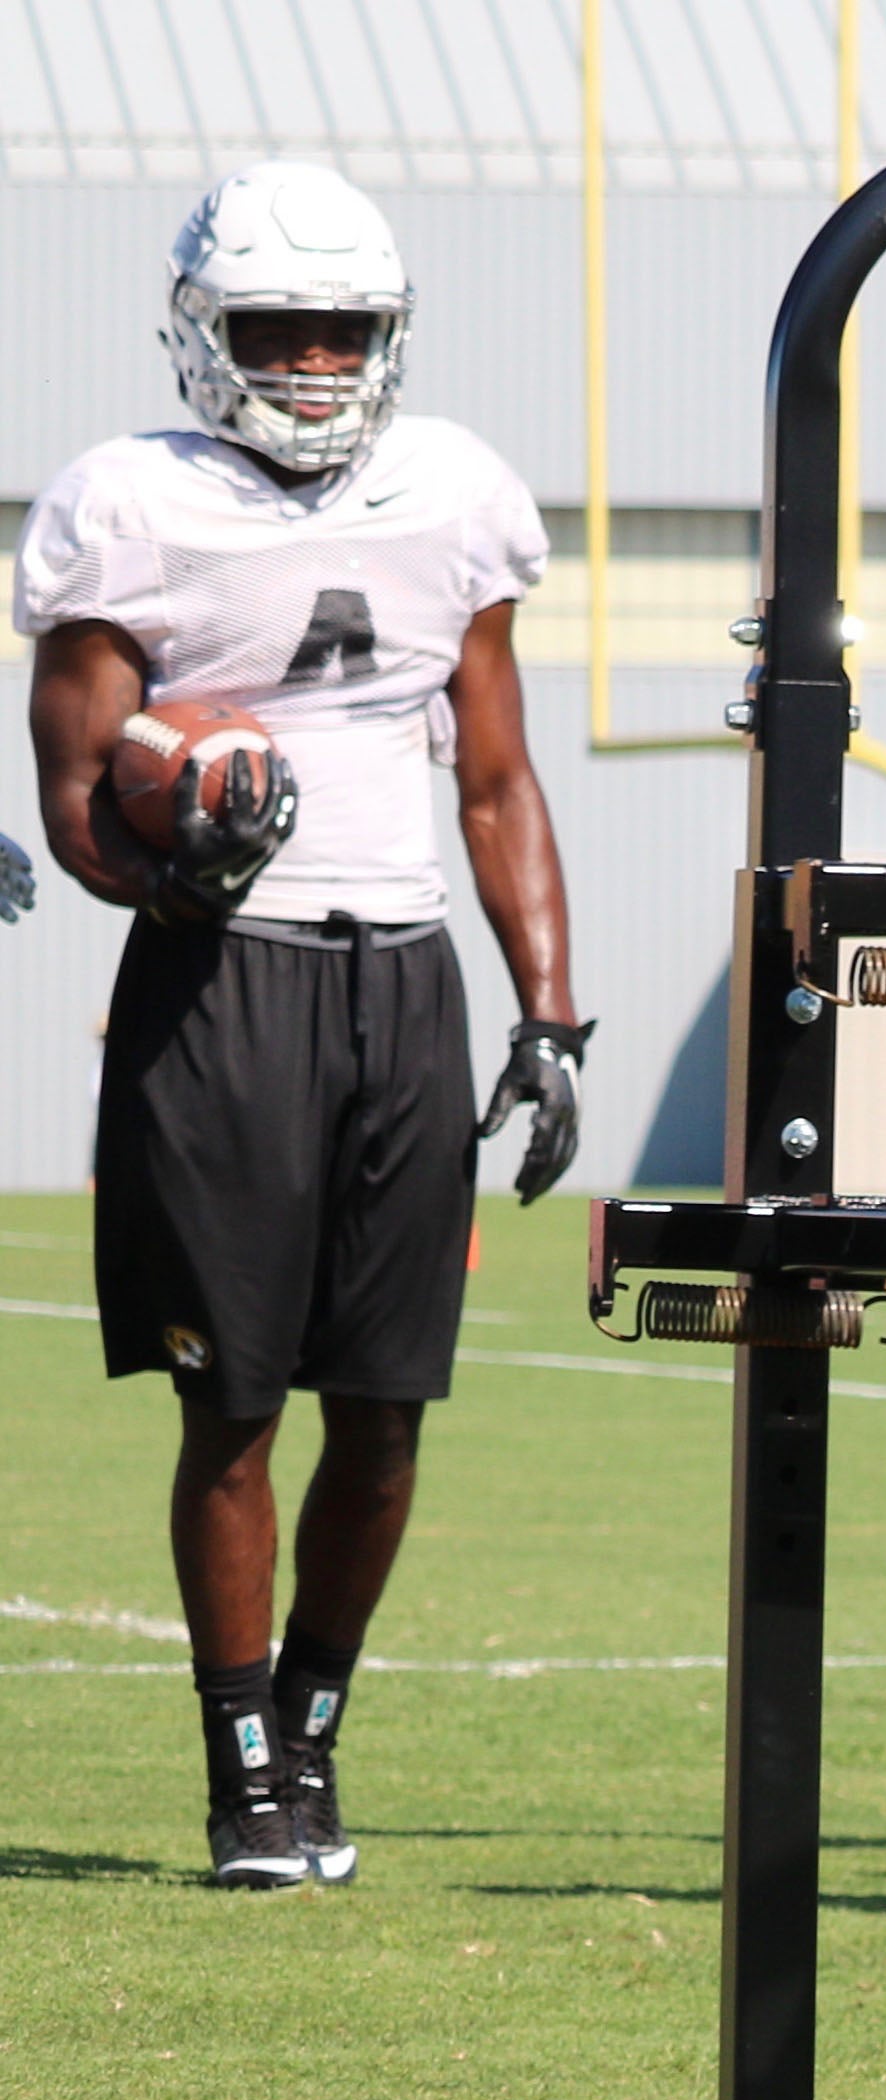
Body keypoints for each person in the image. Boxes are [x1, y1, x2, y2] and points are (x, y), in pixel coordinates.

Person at [19, 163, 589, 1893]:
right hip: (225, 980)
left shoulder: (453, 492)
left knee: (393, 1405)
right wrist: (167, 857)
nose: (321, 363)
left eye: (346, 330)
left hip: (400, 975)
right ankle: (243, 1769)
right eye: (285, 330)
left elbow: (493, 776)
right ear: (207, 335)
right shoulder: (129, 503)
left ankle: (320, 1726)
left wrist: (550, 1011)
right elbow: (71, 801)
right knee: (237, 1406)